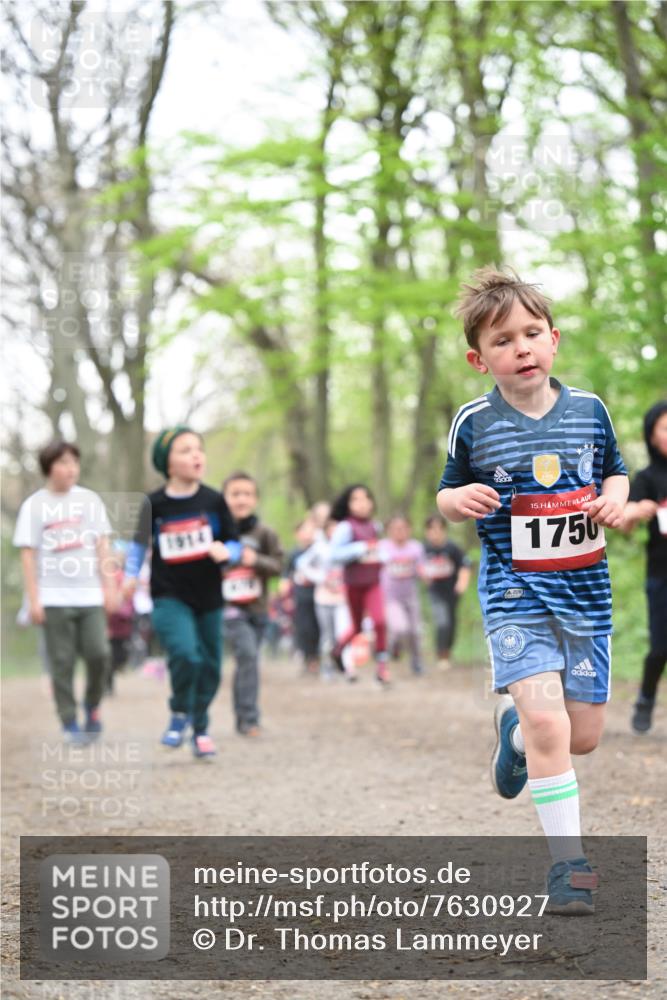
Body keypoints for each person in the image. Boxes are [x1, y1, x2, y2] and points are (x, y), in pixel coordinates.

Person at [437, 266, 628, 914]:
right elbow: (445, 495)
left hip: (585, 596)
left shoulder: (589, 411)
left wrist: (613, 499)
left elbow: (617, 473)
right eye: (502, 340)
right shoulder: (473, 421)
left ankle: (515, 737)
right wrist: (458, 499)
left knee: (579, 736)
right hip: (514, 594)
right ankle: (569, 867)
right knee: (551, 721)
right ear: (479, 358)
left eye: (531, 333)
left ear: (553, 340)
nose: (520, 348)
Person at [123, 427, 241, 759]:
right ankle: (179, 712)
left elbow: (234, 542)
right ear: (168, 463)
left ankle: (200, 727)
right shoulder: (153, 504)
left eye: (198, 448)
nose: (196, 455)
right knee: (186, 654)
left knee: (211, 665)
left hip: (209, 596)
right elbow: (138, 545)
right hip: (169, 595)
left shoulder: (214, 500)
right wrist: (130, 576)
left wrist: (227, 551)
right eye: (185, 450)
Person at [13, 439, 115, 742]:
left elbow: (102, 545)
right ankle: (69, 720)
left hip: (90, 594)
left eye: (74, 462)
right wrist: (34, 600)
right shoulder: (34, 506)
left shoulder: (89, 501)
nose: (71, 469)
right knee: (62, 662)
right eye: (63, 463)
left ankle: (92, 705)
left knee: (99, 653)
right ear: (49, 468)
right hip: (53, 598)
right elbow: (28, 555)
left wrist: (109, 586)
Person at [221, 471, 283, 736]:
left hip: (258, 609)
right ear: (224, 498)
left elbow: (279, 565)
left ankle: (242, 716)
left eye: (247, 494)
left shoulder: (265, 533)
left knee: (248, 660)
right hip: (229, 608)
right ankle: (249, 717)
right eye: (235, 494)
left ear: (255, 499)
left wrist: (255, 560)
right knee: (246, 654)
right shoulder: (217, 531)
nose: (241, 499)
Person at [621, 401, 667, 733]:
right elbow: (623, 521)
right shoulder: (647, 478)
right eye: (665, 428)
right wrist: (637, 511)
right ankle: (646, 699)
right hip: (661, 576)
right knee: (660, 648)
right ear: (651, 436)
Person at [330, 484, 390, 684]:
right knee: (357, 627)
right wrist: (360, 548)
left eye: (366, 498)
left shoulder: (375, 526)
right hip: (353, 585)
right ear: (348, 504)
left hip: (373, 583)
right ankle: (338, 650)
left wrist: (383, 556)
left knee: (380, 622)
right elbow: (334, 555)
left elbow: (379, 551)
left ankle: (382, 669)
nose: (362, 503)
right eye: (356, 499)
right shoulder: (345, 527)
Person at [296, 518, 350, 679]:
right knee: (327, 635)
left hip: (343, 599)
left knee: (343, 634)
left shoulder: (349, 547)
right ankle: (327, 667)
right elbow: (301, 563)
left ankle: (347, 667)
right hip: (323, 599)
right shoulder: (319, 548)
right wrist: (321, 578)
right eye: (332, 529)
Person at [422, 514, 472, 668]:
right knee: (442, 621)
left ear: (444, 530)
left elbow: (465, 564)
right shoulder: (423, 549)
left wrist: (462, 583)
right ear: (427, 531)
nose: (436, 532)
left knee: (451, 622)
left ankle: (447, 652)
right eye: (432, 529)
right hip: (435, 592)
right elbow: (417, 565)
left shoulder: (452, 548)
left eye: (439, 529)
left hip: (452, 592)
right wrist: (423, 576)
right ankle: (441, 654)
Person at [379, 515, 426, 675]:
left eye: (403, 528)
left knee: (414, 632)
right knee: (399, 628)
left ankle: (416, 662)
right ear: (389, 530)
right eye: (396, 529)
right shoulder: (383, 547)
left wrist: (424, 574)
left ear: (409, 530)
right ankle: (394, 646)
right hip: (390, 597)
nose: (400, 532)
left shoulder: (416, 547)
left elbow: (421, 567)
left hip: (410, 596)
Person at [282, 519, 321, 674]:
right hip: (300, 596)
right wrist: (286, 596)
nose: (308, 534)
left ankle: (316, 658)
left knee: (318, 627)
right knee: (304, 628)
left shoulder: (319, 551)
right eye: (304, 531)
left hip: (320, 595)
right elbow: (286, 575)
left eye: (311, 531)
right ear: (297, 534)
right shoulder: (294, 554)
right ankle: (307, 658)